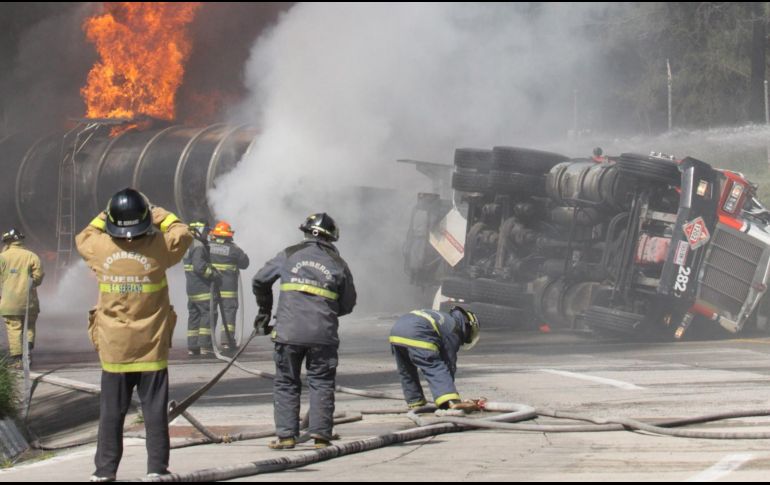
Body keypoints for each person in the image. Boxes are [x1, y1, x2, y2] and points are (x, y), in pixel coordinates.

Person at [75, 188, 192, 482]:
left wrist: (106, 212)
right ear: (144, 219)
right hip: (151, 347)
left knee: (111, 415)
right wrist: (156, 211)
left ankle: (104, 472)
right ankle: (156, 469)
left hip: (114, 349)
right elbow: (183, 232)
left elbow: (84, 235)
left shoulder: (100, 248)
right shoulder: (160, 247)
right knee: (154, 414)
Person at [252, 213, 356, 450]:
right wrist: (324, 312)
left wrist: (265, 312)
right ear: (332, 237)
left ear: (306, 232)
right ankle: (320, 437)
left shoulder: (289, 255)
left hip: (288, 332)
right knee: (321, 382)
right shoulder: (338, 264)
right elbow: (348, 303)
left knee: (287, 382)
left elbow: (260, 280)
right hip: (323, 335)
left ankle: (287, 436)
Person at [389, 306, 480, 410]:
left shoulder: (444, 319)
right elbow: (449, 363)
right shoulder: (454, 328)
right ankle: (449, 401)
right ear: (468, 326)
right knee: (435, 366)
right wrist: (451, 393)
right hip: (417, 332)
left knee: (406, 370)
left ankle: (415, 402)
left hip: (396, 333)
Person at [0, 228, 44, 369]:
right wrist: (30, 284)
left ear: (7, 241)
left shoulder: (2, 257)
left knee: (14, 329)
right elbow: (38, 277)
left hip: (9, 302)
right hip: (29, 301)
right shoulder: (32, 256)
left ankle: (18, 360)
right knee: (29, 326)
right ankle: (28, 352)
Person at [208, 221, 249, 351]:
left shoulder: (207, 247)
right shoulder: (234, 250)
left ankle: (208, 342)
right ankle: (226, 341)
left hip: (211, 287)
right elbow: (245, 263)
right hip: (228, 289)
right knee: (229, 313)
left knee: (210, 312)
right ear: (228, 235)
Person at [182, 221, 220, 357]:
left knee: (194, 316)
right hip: (202, 288)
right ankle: (205, 345)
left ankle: (193, 347)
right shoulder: (198, 247)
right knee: (208, 315)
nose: (208, 234)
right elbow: (199, 267)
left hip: (191, 289)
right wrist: (213, 274)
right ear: (200, 230)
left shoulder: (188, 245)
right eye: (206, 231)